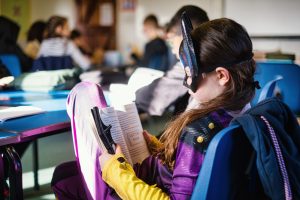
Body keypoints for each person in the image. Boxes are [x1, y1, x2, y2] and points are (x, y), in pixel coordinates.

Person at [52, 15, 260, 199]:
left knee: (63, 179)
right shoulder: (243, 107)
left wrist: (115, 171)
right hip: (165, 179)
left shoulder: (199, 131)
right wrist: (159, 148)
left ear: (222, 75)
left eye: (191, 75)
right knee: (66, 172)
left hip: (149, 190)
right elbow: (199, 169)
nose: (186, 84)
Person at [135, 5, 209, 116]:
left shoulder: (190, 66)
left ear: (185, 37)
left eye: (171, 41)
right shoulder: (213, 57)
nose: (173, 50)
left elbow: (150, 96)